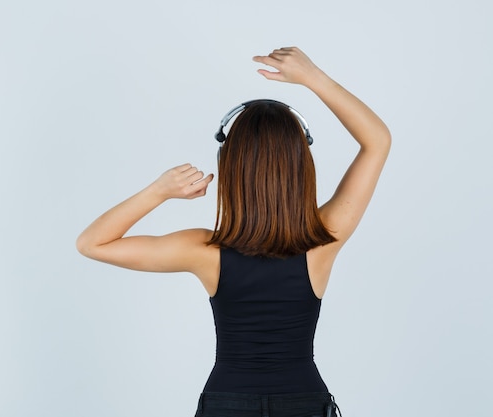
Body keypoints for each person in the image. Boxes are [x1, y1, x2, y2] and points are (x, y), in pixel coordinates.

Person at [76, 46, 391, 417]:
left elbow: (92, 243)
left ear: (231, 166)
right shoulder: (323, 240)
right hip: (303, 402)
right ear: (301, 165)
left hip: (228, 403)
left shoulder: (204, 250)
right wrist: (313, 78)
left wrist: (159, 191)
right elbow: (377, 141)